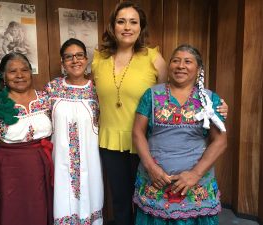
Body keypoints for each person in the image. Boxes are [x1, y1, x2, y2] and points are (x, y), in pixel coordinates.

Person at [91, 1, 228, 225]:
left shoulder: (153, 57)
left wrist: (217, 105)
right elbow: (90, 95)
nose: (127, 27)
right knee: (121, 201)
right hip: (111, 139)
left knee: (148, 197)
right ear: (112, 26)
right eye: (121, 21)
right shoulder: (99, 59)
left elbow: (180, 85)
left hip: (146, 142)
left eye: (133, 22)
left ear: (140, 27)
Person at [132, 44, 227, 225]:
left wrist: (195, 175)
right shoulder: (151, 95)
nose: (180, 65)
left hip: (196, 186)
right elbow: (137, 133)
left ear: (198, 69)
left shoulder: (209, 99)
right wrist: (152, 168)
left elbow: (220, 141)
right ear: (169, 67)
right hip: (155, 183)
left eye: (187, 61)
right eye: (175, 60)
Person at [0, 52, 53, 225]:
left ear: (30, 73)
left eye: (24, 70)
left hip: (41, 169)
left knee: (38, 212)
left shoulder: (46, 100)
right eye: (13, 72)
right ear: (3, 75)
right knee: (12, 214)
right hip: (8, 173)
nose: (20, 75)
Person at [45, 38, 103, 225]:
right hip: (61, 159)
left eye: (79, 56)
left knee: (91, 195)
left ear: (86, 60)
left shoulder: (96, 89)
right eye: (68, 57)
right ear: (62, 63)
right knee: (63, 200)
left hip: (91, 158)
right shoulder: (52, 88)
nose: (75, 60)